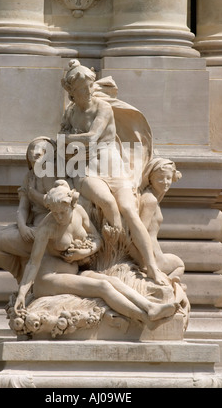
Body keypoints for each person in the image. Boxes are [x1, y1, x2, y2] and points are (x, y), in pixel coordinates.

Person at [59, 59, 168, 286]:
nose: (88, 92)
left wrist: (64, 139)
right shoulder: (70, 113)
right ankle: (113, 256)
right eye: (82, 89)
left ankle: (151, 267)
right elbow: (67, 144)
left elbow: (91, 137)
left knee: (129, 209)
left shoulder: (103, 107)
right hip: (86, 169)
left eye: (90, 86)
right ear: (71, 92)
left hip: (112, 166)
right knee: (108, 203)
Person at [14, 180, 178, 327]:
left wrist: (84, 251)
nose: (58, 217)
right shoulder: (46, 228)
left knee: (112, 280)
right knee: (103, 286)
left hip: (73, 272)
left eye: (62, 212)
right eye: (54, 212)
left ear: (72, 204)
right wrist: (22, 293)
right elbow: (33, 263)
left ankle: (150, 307)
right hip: (48, 279)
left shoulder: (79, 212)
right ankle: (146, 318)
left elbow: (97, 239)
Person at [0, 136, 57, 283]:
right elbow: (22, 208)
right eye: (32, 149)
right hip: (30, 229)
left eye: (41, 150)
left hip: (45, 233)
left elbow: (56, 204)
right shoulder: (29, 177)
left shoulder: (49, 173)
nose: (35, 153)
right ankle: (22, 277)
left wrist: (35, 195)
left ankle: (24, 279)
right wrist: (22, 227)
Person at [138, 158, 185, 280]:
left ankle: (165, 281)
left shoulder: (153, 196)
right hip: (151, 254)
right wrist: (148, 262)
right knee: (179, 264)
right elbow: (140, 231)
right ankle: (166, 281)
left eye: (168, 178)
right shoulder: (150, 200)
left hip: (152, 252)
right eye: (160, 178)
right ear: (150, 179)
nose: (165, 182)